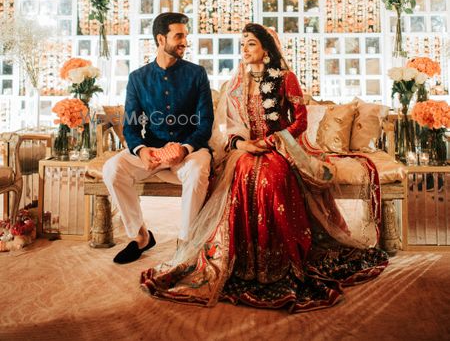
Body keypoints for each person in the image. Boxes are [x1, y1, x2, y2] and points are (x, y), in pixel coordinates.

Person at [141, 23, 388, 312]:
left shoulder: (285, 78)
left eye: (250, 44)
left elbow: (300, 122)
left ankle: (278, 262)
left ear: (266, 48)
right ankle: (244, 262)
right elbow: (230, 127)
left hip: (281, 147)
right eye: (242, 45)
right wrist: (243, 145)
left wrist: (273, 140)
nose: (244, 50)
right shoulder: (235, 84)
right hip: (246, 149)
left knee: (270, 179)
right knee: (243, 173)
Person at [103, 12, 214, 264]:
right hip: (152, 151)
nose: (184, 41)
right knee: (112, 169)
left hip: (190, 151)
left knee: (198, 170)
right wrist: (142, 152)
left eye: (185, 36)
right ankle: (140, 236)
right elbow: (131, 127)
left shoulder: (197, 74)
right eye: (179, 36)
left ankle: (186, 242)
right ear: (161, 38)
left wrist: (184, 149)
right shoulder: (138, 78)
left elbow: (205, 123)